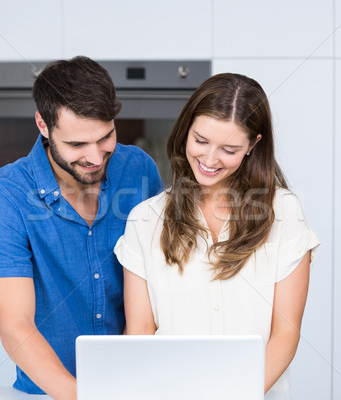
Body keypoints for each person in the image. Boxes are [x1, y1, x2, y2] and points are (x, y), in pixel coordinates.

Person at [114, 73, 319, 399]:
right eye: (201, 141)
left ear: (253, 145)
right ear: (186, 131)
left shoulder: (284, 212)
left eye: (229, 149)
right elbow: (140, 331)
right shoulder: (145, 219)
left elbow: (285, 333)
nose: (210, 160)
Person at [0, 56, 162, 400]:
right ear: (43, 126)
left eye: (105, 137)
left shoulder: (139, 169)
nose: (95, 156)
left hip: (137, 384)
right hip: (48, 392)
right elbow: (15, 325)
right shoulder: (6, 196)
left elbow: (160, 283)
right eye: (77, 145)